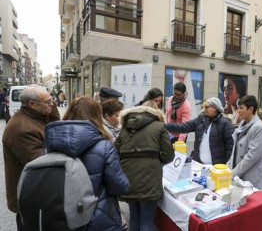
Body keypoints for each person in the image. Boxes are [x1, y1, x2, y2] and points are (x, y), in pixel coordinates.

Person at [45, 96, 129, 230]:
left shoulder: (52, 144)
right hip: (98, 217)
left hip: (62, 215)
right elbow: (119, 186)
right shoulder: (105, 146)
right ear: (97, 115)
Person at [2, 86, 59, 230]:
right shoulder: (22, 128)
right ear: (32, 104)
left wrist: (48, 106)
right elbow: (40, 162)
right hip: (30, 198)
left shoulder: (37, 116)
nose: (52, 104)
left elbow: (56, 126)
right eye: (48, 102)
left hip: (37, 194)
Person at [115, 100, 174, 231]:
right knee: (147, 221)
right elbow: (168, 155)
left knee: (134, 217)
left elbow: (116, 153)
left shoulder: (125, 127)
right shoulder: (159, 126)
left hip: (129, 178)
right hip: (150, 180)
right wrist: (154, 161)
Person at [166, 97, 235, 165]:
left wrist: (226, 164)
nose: (205, 109)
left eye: (207, 107)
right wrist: (165, 126)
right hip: (198, 164)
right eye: (204, 107)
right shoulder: (200, 120)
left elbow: (231, 145)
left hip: (216, 167)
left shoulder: (225, 123)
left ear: (215, 108)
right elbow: (184, 127)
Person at [227, 95, 262, 189]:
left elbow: (252, 156)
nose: (238, 110)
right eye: (238, 107)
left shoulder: (258, 127)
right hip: (241, 173)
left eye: (241, 108)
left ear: (250, 109)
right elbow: (235, 149)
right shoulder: (243, 124)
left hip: (252, 177)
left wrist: (234, 172)